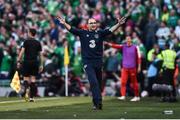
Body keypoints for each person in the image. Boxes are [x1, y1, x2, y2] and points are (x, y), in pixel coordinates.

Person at [56, 16, 126, 110]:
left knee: (98, 83)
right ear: (87, 25)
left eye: (94, 23)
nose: (93, 24)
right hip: (88, 62)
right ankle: (96, 103)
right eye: (91, 23)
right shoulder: (83, 32)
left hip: (98, 61)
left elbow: (110, 30)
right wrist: (64, 23)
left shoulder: (100, 33)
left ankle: (98, 101)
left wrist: (118, 24)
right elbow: (72, 30)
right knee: (93, 82)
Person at [105, 36, 141, 101]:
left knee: (134, 83)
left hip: (132, 68)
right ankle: (123, 95)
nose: (128, 40)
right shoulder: (124, 46)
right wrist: (108, 44)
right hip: (125, 68)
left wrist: (139, 66)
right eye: (127, 39)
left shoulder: (135, 47)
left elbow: (139, 57)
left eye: (129, 39)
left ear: (131, 40)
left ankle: (136, 96)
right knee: (123, 82)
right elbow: (116, 46)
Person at [17, 27, 43, 102]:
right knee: (33, 80)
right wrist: (41, 65)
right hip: (35, 62)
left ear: (30, 33)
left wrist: (18, 60)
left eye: (28, 32)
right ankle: (31, 98)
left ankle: (26, 90)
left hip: (27, 62)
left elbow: (22, 52)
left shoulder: (26, 42)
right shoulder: (38, 43)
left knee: (25, 79)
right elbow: (41, 55)